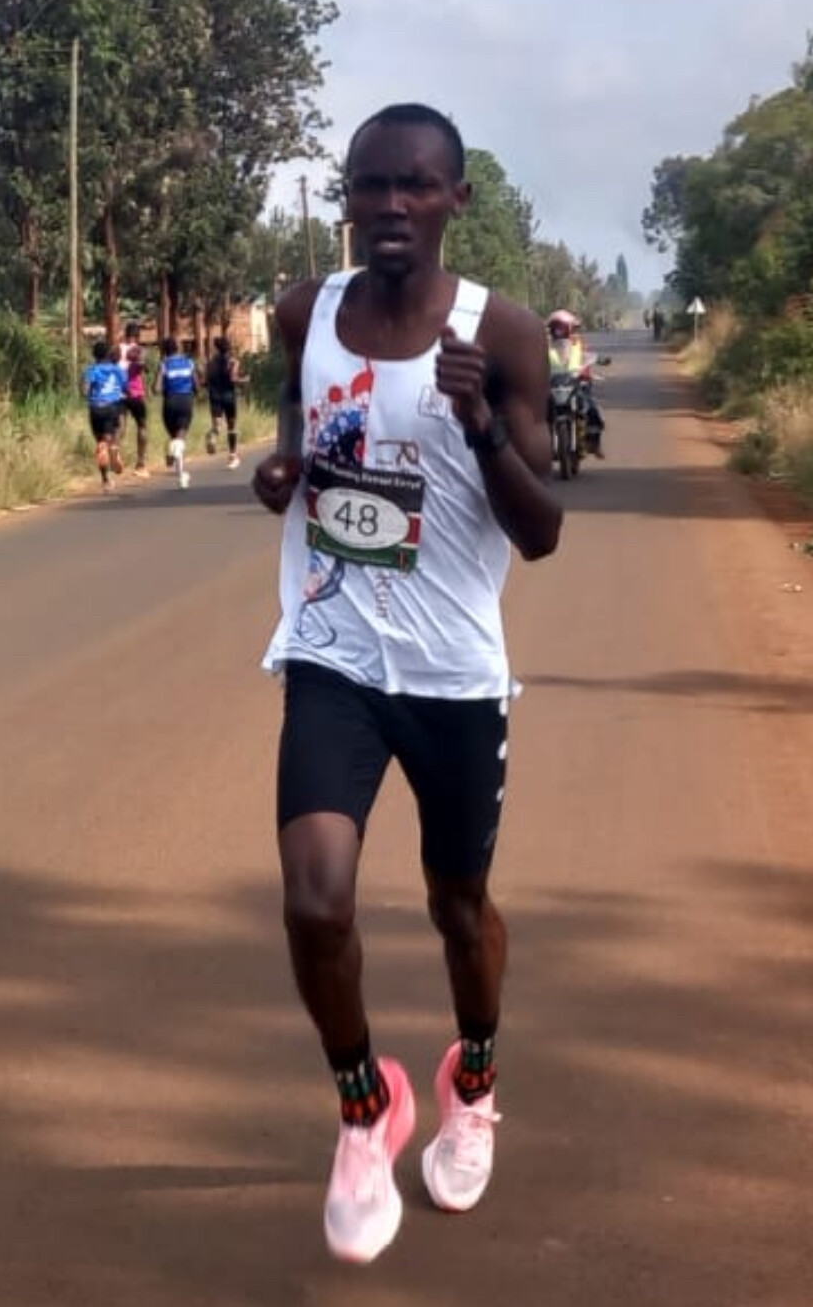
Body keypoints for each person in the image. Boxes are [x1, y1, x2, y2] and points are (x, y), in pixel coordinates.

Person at [253, 102, 563, 1265]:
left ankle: (472, 1082)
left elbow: (541, 531)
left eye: (415, 186)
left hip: (452, 673)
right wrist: (282, 470)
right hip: (333, 650)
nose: (390, 206)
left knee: (457, 907)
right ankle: (362, 1105)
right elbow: (300, 428)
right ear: (346, 196)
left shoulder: (505, 334)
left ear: (454, 201)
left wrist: (480, 424)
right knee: (314, 901)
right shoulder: (306, 313)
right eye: (370, 185)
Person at [546, 312, 604, 459]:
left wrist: (597, 361)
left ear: (570, 328)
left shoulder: (578, 344)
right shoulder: (545, 345)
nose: (559, 331)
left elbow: (587, 357)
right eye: (556, 327)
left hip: (576, 382)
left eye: (562, 327)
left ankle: (594, 443)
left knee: (592, 408)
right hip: (552, 384)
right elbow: (535, 362)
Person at [153, 336, 199, 489]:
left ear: (164, 350)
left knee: (175, 437)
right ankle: (181, 475)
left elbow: (156, 389)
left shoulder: (164, 365)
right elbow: (197, 386)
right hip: (185, 401)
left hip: (170, 402)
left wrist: (165, 385)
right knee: (180, 436)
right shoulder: (189, 362)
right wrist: (194, 391)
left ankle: (181, 474)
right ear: (178, 348)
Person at [82, 338, 128, 490]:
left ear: (94, 355)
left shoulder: (92, 370)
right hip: (112, 407)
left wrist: (90, 393)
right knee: (118, 428)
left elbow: (85, 390)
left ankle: (106, 480)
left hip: (95, 408)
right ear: (109, 354)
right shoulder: (117, 370)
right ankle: (114, 448)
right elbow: (125, 387)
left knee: (100, 442)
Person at [205, 336, 245, 470]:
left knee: (217, 425)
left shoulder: (211, 363)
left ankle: (212, 435)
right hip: (229, 396)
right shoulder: (233, 361)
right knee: (231, 426)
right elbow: (233, 378)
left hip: (215, 396)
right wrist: (245, 380)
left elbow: (206, 381)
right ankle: (233, 456)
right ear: (229, 348)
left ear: (217, 348)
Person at [117, 321, 150, 477]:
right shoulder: (139, 349)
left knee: (121, 427)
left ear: (126, 334)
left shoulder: (117, 349)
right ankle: (140, 464)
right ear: (138, 336)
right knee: (142, 426)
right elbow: (143, 365)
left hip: (120, 393)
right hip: (136, 393)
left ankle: (115, 453)